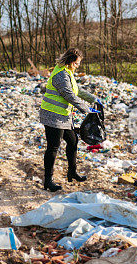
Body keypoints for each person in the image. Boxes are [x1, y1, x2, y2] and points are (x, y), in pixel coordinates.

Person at [39, 48, 97, 192]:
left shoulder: (68, 72)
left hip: (64, 116)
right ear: (70, 61)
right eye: (77, 63)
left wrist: (94, 99)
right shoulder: (60, 74)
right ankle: (48, 181)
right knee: (53, 147)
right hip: (52, 115)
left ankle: (72, 172)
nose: (78, 66)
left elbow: (77, 91)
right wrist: (87, 109)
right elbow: (69, 95)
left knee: (72, 141)